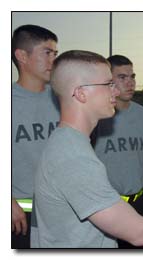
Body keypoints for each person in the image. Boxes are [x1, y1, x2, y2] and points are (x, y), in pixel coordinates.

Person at [30, 50, 143, 248]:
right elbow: (138, 231)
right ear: (81, 93)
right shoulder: (72, 156)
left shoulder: (70, 143)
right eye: (108, 84)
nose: (115, 91)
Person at [94, 55, 143, 248]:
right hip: (108, 206)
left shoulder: (142, 114)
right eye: (122, 77)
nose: (130, 83)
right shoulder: (95, 116)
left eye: (132, 76)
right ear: (108, 81)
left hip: (140, 203)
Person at [11, 24, 60, 249]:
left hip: (64, 211)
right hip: (21, 217)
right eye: (47, 53)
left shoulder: (63, 99)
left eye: (55, 54)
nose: (53, 61)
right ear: (22, 56)